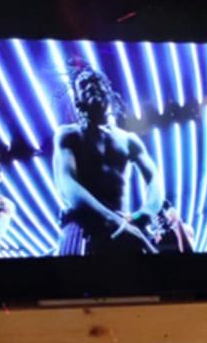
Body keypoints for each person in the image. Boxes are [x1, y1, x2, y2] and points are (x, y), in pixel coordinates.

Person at [53, 65, 165, 255]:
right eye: (84, 85)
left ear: (109, 91)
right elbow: (67, 184)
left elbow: (155, 179)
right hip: (83, 224)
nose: (91, 86)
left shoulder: (129, 140)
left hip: (125, 224)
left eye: (96, 82)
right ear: (77, 100)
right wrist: (112, 220)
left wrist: (143, 215)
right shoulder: (68, 134)